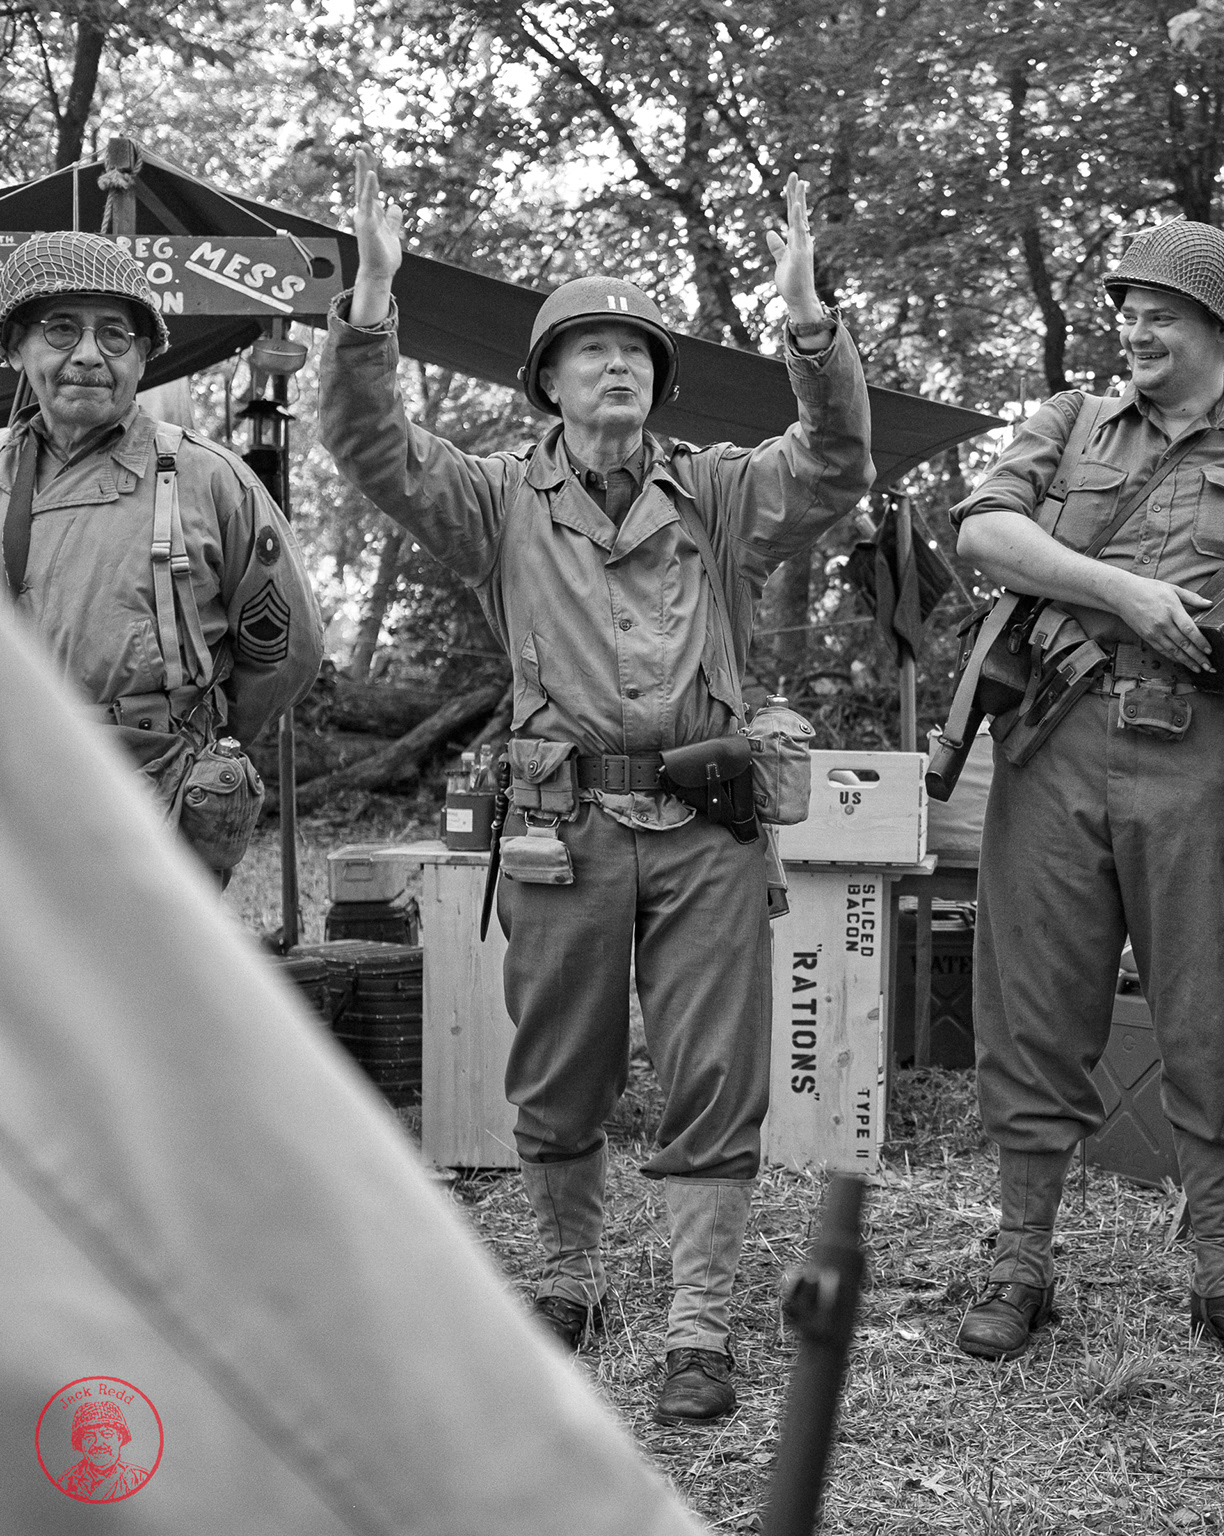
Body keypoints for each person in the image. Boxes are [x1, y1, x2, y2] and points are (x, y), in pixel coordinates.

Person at [318, 150, 873, 1426]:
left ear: (658, 383)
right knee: (560, 1069)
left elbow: (835, 463)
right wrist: (371, 308)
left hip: (706, 826)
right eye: (590, 351)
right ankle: (568, 1276)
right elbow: (374, 447)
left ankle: (698, 1322)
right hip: (560, 827)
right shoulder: (498, 503)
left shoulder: (721, 493)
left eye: (635, 351)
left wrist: (808, 329)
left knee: (714, 1072)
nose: (616, 366)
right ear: (549, 383)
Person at [0, 598, 707, 1534]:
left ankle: (671, 1312)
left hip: (158, 772)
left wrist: (216, 732)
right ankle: (570, 1271)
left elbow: (284, 640)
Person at [948, 219, 1224, 1367]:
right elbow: (986, 533)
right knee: (1035, 1004)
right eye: (1128, 313)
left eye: (1162, 316)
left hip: (1201, 754)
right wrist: (1124, 593)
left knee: (1204, 1013)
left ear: (1220, 332)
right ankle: (1020, 1262)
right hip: (1055, 742)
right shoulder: (1068, 424)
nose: (1136, 332)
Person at [0, 231, 322, 879]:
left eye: (115, 335)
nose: (88, 354)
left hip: (159, 789)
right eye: (60, 329)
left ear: (143, 356)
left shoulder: (210, 479)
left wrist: (207, 733)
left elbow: (287, 650)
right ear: (14, 348)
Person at [57, 1402, 151, 1503]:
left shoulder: (138, 1479)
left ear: (119, 1438)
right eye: (89, 1436)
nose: (98, 1443)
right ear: (80, 1443)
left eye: (106, 1434)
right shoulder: (66, 1482)